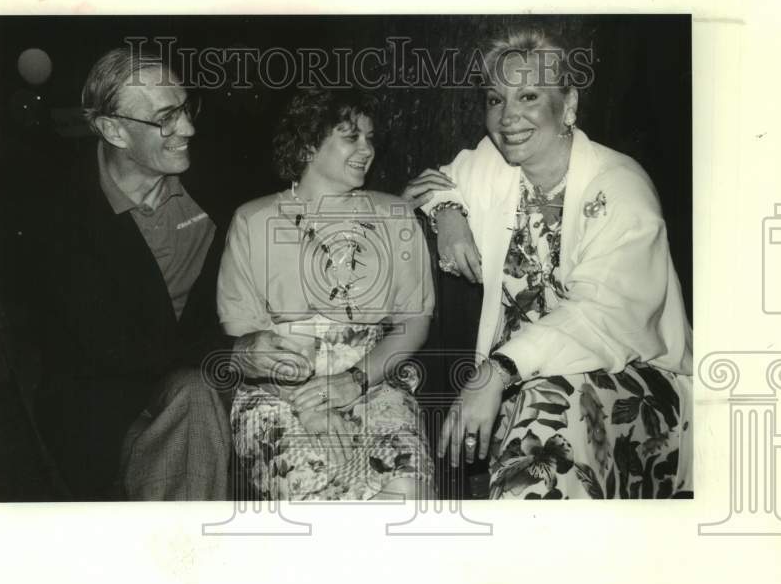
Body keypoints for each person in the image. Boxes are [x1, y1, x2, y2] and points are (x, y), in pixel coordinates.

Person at [404, 26, 693, 499]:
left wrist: (496, 372)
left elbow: (601, 314)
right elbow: (435, 183)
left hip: (632, 380)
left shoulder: (618, 185)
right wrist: (450, 213)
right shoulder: (496, 165)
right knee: (540, 408)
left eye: (529, 96)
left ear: (569, 106)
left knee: (547, 412)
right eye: (495, 99)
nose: (508, 116)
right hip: (520, 382)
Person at [18, 47, 231, 500]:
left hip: (200, 375)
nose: (188, 128)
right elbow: (112, 350)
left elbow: (288, 204)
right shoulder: (59, 218)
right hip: (107, 405)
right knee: (192, 397)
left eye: (187, 107)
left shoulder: (211, 178)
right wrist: (232, 353)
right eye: (166, 117)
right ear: (113, 129)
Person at [217, 88, 436, 500]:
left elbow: (414, 323)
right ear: (307, 143)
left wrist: (354, 381)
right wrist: (310, 406)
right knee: (324, 510)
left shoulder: (395, 216)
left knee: (406, 495)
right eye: (350, 136)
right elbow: (246, 344)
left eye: (370, 138)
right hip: (280, 397)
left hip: (373, 383)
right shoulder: (253, 221)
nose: (366, 149)